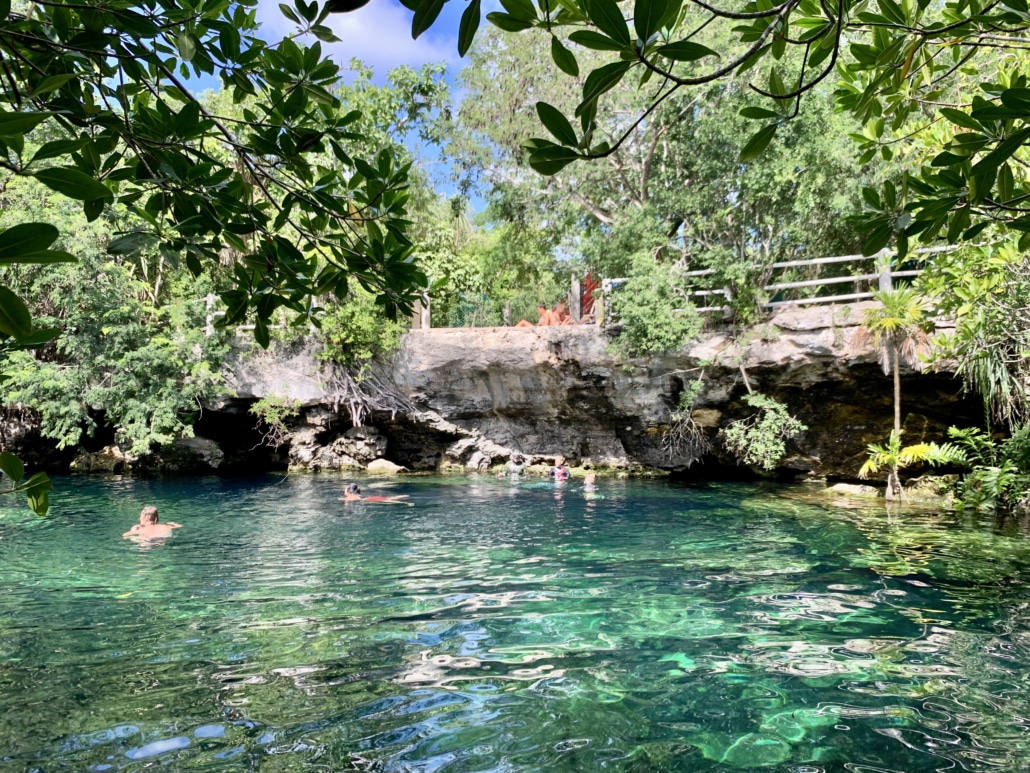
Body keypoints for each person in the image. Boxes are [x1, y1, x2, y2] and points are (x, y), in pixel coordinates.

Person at [340, 483, 412, 505]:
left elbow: (346, 504)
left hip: (367, 500)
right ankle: (404, 496)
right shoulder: (355, 495)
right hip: (369, 497)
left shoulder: (349, 497)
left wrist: (342, 499)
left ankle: (406, 503)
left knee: (387, 501)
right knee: (388, 498)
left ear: (348, 491)